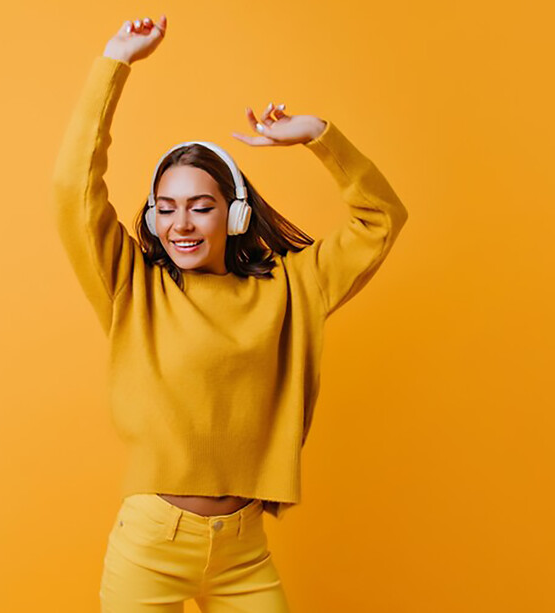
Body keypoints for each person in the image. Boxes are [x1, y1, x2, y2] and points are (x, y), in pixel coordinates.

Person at [51, 14, 409, 612]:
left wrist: (320, 135)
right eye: (165, 209)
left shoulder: (292, 288)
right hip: (149, 547)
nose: (180, 224)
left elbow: (380, 219)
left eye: (200, 207)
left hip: (244, 551)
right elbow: (72, 188)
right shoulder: (131, 286)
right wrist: (114, 61)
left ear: (235, 216)